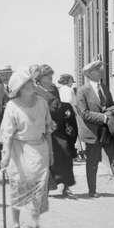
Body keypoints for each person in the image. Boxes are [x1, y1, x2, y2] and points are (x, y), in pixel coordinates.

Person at [0, 68, 54, 228]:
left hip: (39, 150)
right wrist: (5, 157)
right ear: (19, 88)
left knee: (38, 190)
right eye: (27, 83)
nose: (31, 85)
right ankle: (16, 225)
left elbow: (48, 129)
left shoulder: (42, 103)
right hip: (19, 151)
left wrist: (51, 151)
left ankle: (34, 225)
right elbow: (7, 135)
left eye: (31, 82)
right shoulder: (12, 106)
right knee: (18, 188)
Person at [76, 60, 114, 199]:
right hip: (93, 132)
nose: (101, 71)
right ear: (90, 73)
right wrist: (103, 118)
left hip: (109, 130)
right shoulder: (82, 91)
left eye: (100, 69)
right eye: (98, 70)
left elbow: (110, 104)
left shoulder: (104, 87)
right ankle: (92, 190)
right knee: (92, 162)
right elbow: (84, 113)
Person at [35, 65, 78, 197]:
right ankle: (44, 187)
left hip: (58, 127)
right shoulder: (34, 91)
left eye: (51, 77)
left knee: (65, 152)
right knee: (45, 158)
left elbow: (58, 104)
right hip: (43, 129)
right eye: (48, 77)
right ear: (40, 78)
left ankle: (66, 186)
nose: (50, 79)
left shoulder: (53, 88)